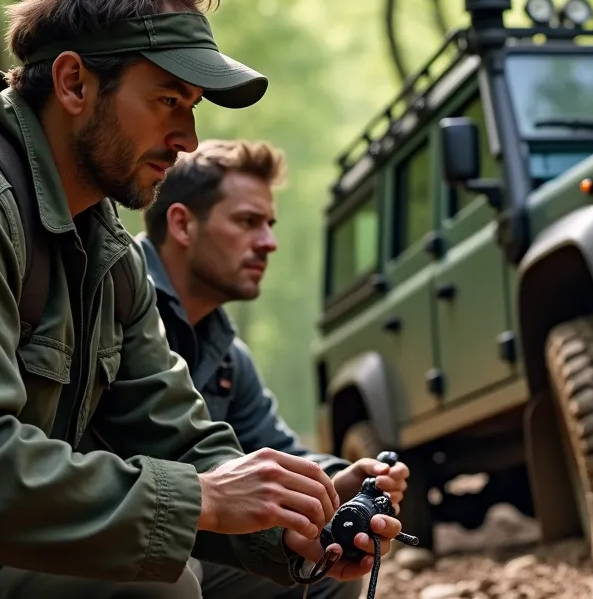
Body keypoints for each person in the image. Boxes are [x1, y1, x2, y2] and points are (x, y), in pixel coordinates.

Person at [0, 0, 400, 598]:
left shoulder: (108, 255)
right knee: (157, 588)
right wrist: (200, 498)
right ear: (73, 83)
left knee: (309, 580)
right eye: (168, 100)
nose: (189, 140)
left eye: (193, 109)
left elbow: (180, 435)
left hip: (1, 554)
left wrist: (297, 528)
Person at [137, 138, 408, 599]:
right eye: (247, 222)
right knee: (172, 581)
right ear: (181, 224)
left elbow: (272, 444)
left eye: (269, 224)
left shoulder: (225, 352)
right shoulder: (113, 304)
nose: (269, 242)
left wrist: (336, 482)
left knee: (326, 565)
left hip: (192, 542)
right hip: (105, 540)